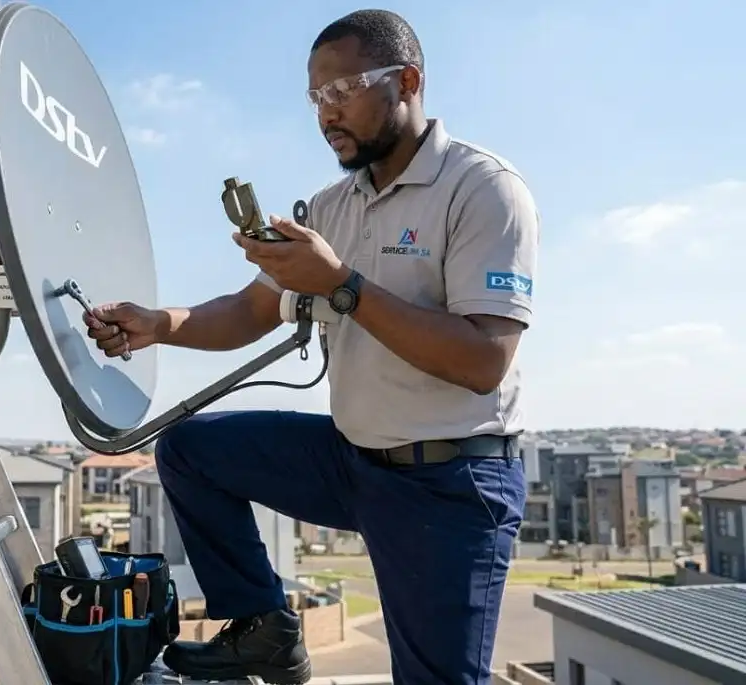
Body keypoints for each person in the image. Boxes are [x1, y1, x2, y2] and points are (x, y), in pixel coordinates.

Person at [82, 9, 537, 685]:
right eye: (316, 98)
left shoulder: (483, 189)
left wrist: (342, 284)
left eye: (342, 90)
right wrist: (160, 322)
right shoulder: (330, 207)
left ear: (406, 81)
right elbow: (248, 310)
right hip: (353, 460)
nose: (326, 113)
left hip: (451, 480)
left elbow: (482, 361)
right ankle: (263, 627)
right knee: (190, 451)